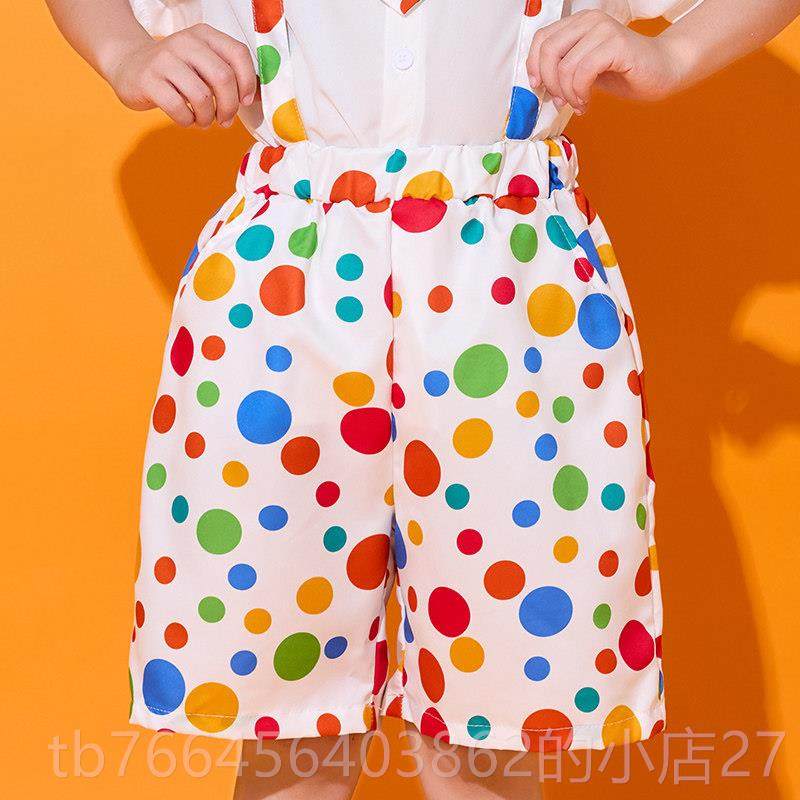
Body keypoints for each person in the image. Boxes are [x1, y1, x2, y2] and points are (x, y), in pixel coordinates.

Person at [45, 1, 800, 798]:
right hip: (282, 307)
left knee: (493, 719)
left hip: (512, 308)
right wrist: (125, 54)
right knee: (289, 721)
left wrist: (675, 57)